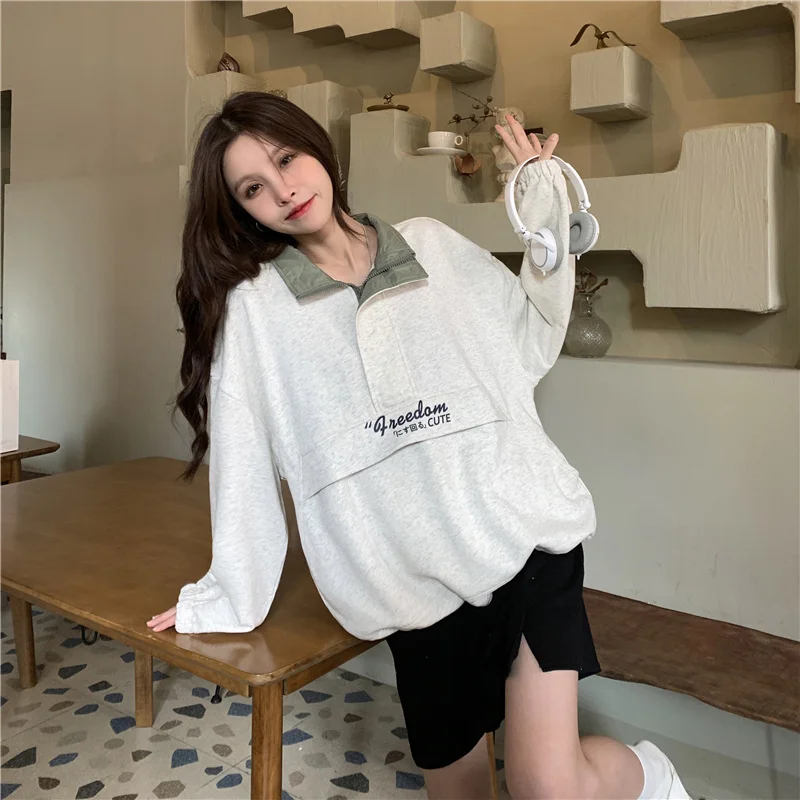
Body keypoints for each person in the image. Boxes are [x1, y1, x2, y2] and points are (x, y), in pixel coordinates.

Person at [148, 91, 690, 800]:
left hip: (520, 533)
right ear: (241, 209)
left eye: (287, 158)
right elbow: (242, 461)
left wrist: (546, 218)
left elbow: (525, 340)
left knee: (548, 788)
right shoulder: (257, 311)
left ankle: (652, 777)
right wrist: (228, 593)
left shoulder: (431, 245)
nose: (282, 189)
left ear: (318, 148)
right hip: (408, 584)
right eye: (253, 187)